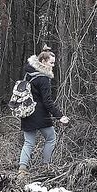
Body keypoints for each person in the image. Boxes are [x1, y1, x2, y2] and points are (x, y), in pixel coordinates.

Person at [18, 47, 69, 176]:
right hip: (40, 114)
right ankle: (46, 166)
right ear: (43, 61)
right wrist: (60, 116)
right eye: (51, 63)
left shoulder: (29, 74)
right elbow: (47, 102)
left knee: (28, 142)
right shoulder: (43, 78)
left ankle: (22, 169)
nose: (53, 65)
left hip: (26, 112)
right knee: (51, 138)